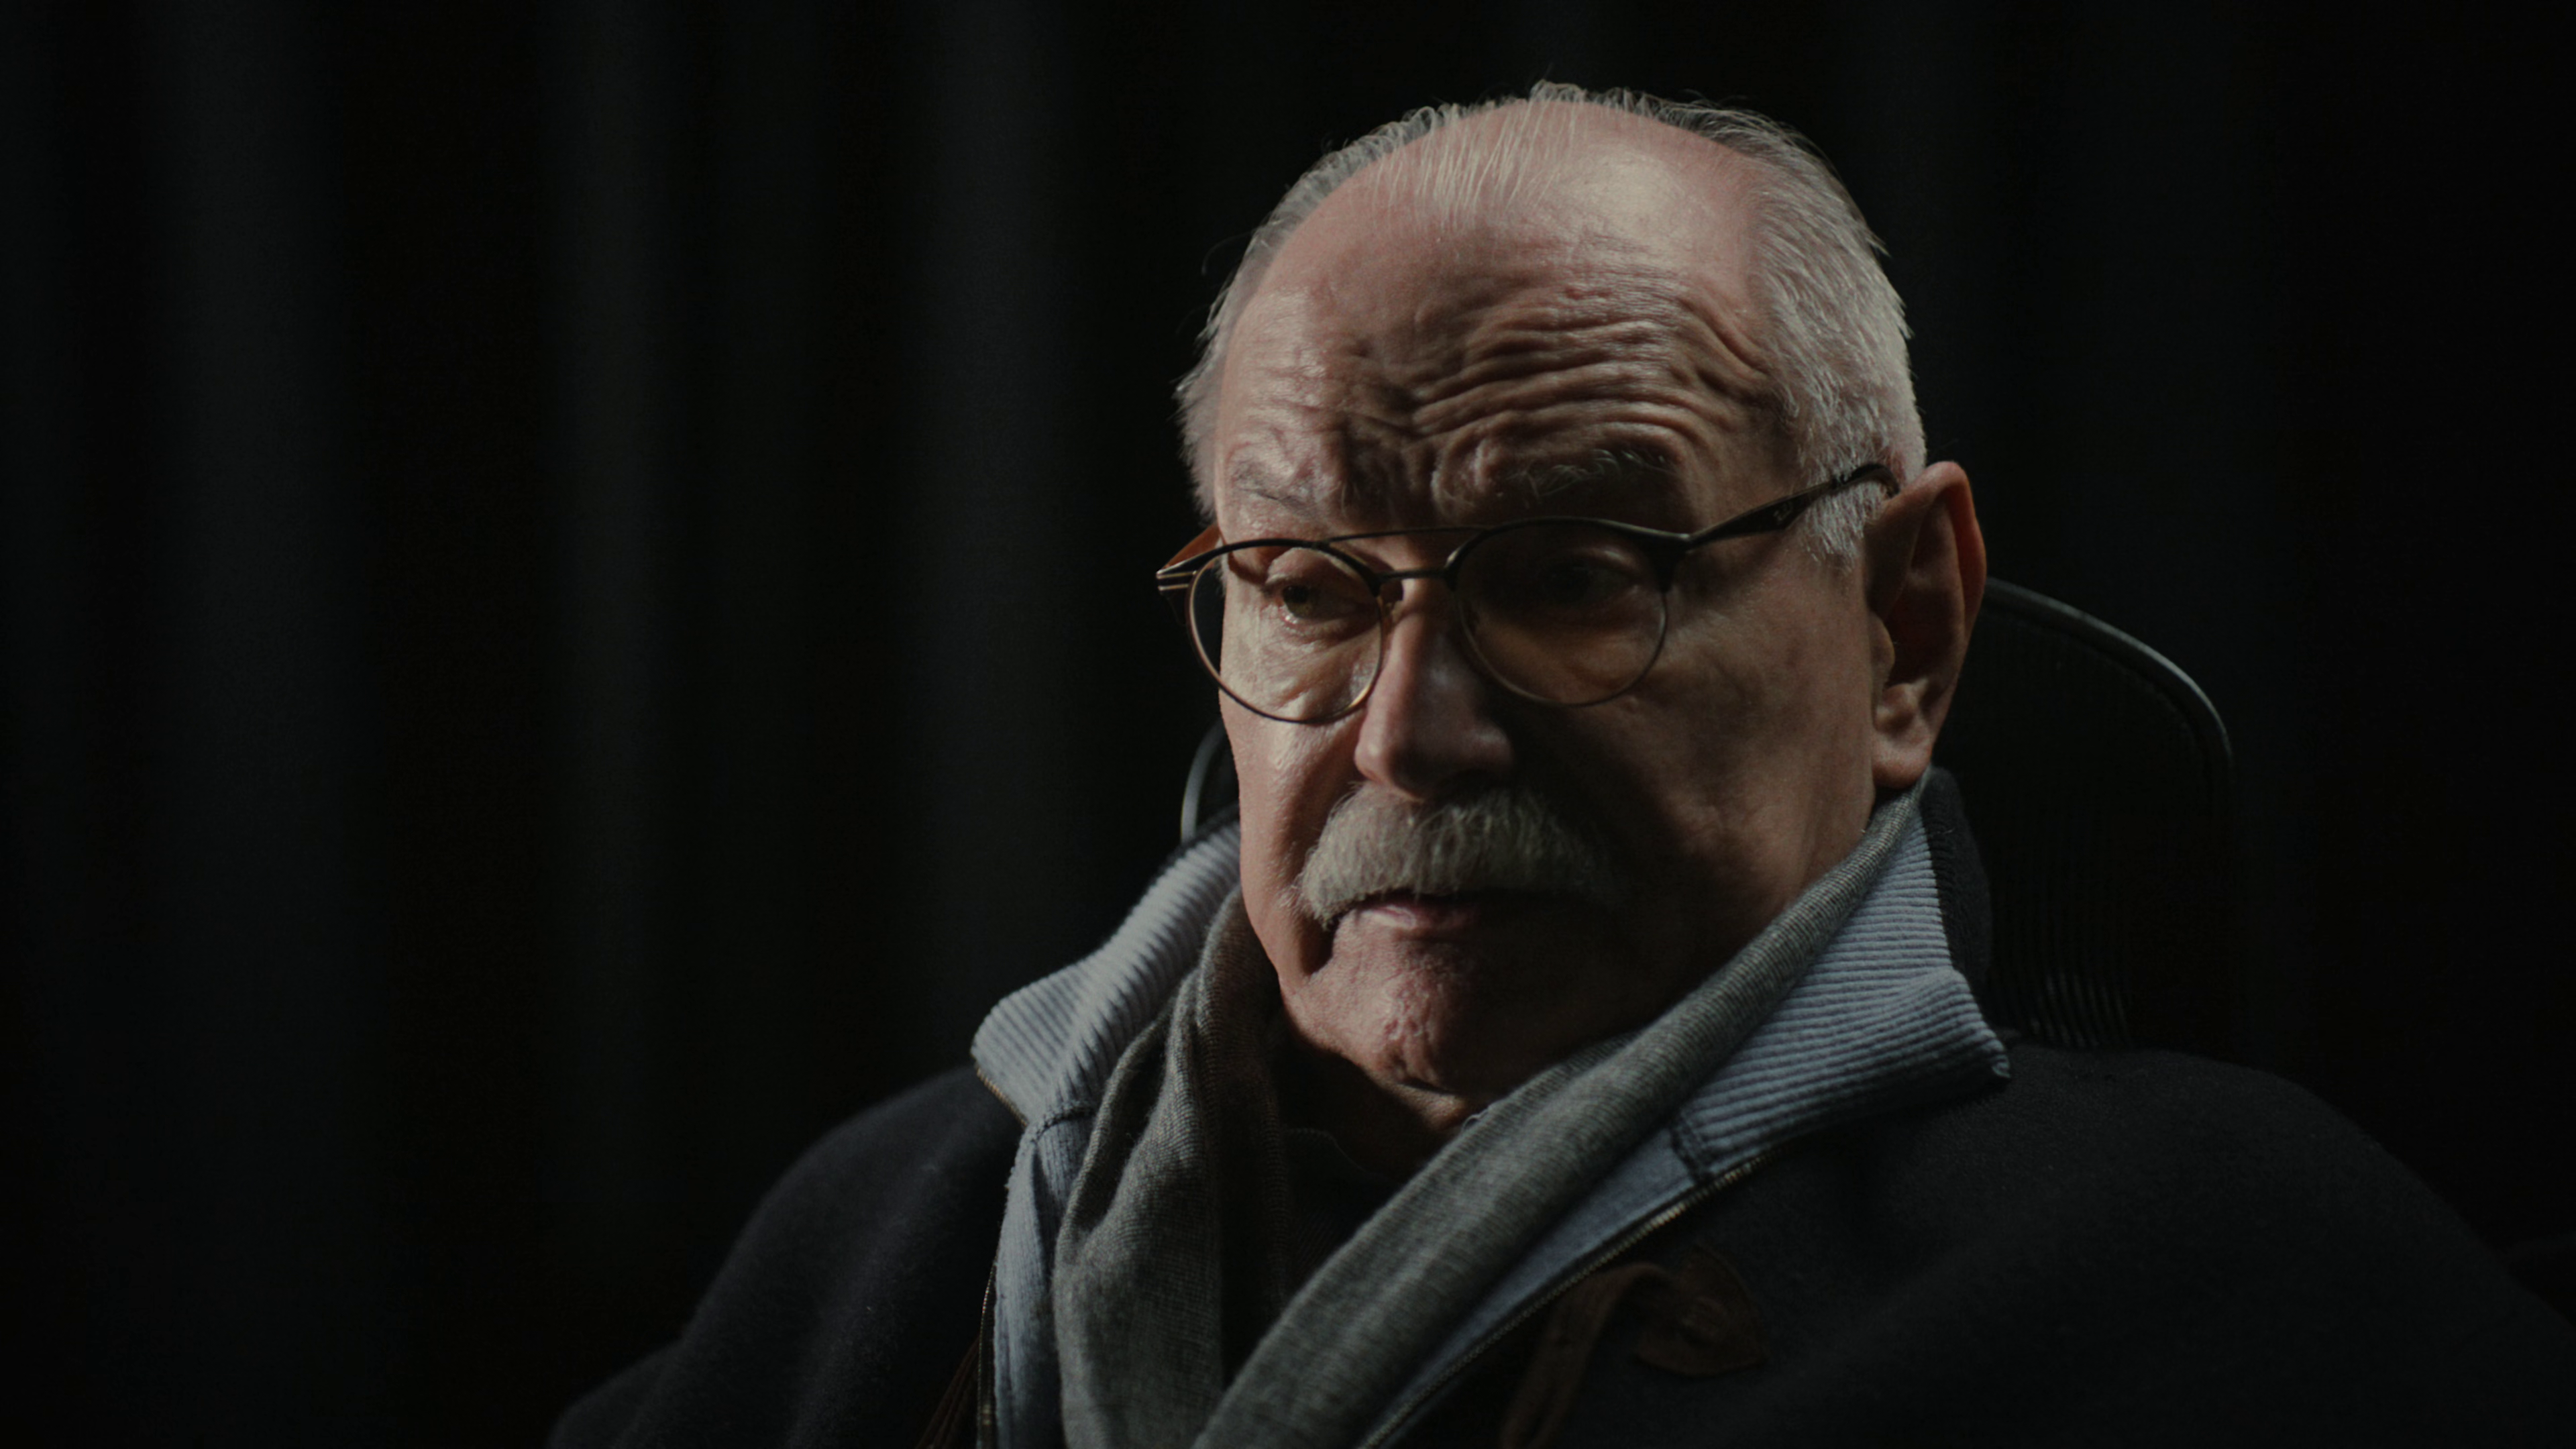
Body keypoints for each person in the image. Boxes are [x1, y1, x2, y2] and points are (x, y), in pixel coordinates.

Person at [552, 84, 2575, 1449]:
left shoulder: (2235, 1296)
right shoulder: (885, 1234)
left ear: (1902, 630)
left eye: (1578, 576)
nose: (1411, 733)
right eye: (1307, 585)